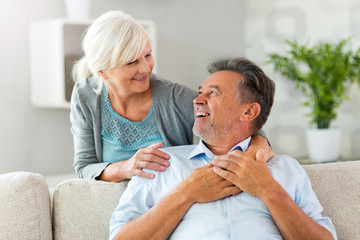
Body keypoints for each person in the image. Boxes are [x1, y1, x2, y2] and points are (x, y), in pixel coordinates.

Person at [109, 57, 337, 240]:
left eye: (213, 93)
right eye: (200, 92)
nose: (197, 100)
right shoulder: (161, 163)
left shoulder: (285, 169)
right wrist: (185, 193)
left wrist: (269, 190)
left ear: (248, 112)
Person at [70, 11, 272, 182]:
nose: (145, 68)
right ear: (102, 72)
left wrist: (258, 148)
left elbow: (238, 121)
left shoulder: (174, 97)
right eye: (131, 62)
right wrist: (125, 168)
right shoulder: (85, 96)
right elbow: (84, 167)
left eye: (147, 55)